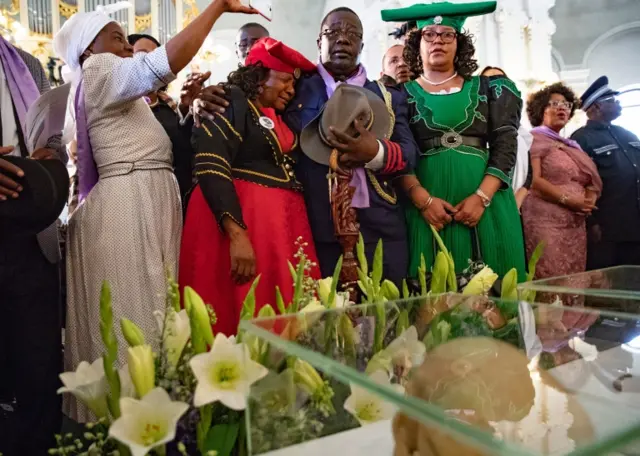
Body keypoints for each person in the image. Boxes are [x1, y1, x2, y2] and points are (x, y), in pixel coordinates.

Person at [53, 0, 258, 422]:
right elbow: (158, 65)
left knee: (157, 312)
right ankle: (132, 419)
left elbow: (159, 143)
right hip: (126, 204)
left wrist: (188, 109)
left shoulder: (120, 87)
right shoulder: (98, 71)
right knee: (136, 314)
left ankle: (156, 419)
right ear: (88, 50)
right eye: (115, 37)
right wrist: (216, 7)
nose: (127, 45)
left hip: (146, 196)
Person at [190, 7, 419, 284]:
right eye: (332, 32)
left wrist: (376, 153)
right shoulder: (292, 88)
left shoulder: (389, 95)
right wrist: (201, 100)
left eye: (352, 34)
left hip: (380, 227)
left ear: (361, 44)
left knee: (390, 318)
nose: (343, 40)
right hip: (313, 227)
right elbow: (247, 103)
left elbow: (410, 155)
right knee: (323, 320)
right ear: (318, 42)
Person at [180, 38, 319, 335]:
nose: (290, 90)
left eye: (293, 85)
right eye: (283, 80)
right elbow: (211, 163)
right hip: (243, 225)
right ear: (258, 75)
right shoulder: (227, 99)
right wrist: (237, 235)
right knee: (239, 312)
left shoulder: (273, 116)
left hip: (276, 231)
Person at [381, 1, 526, 279]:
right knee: (432, 303)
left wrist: (481, 197)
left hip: (488, 204)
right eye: (429, 35)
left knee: (494, 299)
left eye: (447, 34)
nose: (438, 41)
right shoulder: (398, 94)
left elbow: (505, 144)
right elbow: (397, 152)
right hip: (425, 206)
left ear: (459, 43)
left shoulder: (488, 88)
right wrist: (422, 200)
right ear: (417, 43)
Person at [0, 33, 67, 456]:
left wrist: (50, 152)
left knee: (39, 362)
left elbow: (55, 135)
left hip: (29, 227)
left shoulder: (26, 61)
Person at [521, 82, 602, 279]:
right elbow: (534, 181)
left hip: (575, 224)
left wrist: (589, 200)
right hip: (545, 222)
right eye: (554, 104)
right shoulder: (534, 140)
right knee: (552, 278)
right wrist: (569, 200)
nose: (562, 108)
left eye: (566, 105)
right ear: (541, 109)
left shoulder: (572, 145)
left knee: (575, 278)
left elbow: (590, 179)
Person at [571, 76, 640, 268]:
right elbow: (577, 184)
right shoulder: (581, 139)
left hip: (635, 222)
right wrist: (591, 222)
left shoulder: (627, 134)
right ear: (597, 107)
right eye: (613, 101)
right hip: (608, 229)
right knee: (609, 285)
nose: (618, 104)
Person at [128, 33, 194, 202]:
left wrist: (187, 110)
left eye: (156, 55)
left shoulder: (170, 106)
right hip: (132, 193)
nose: (151, 60)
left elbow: (183, 153)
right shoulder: (121, 104)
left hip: (171, 193)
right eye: (142, 54)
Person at [480, 66, 533, 210]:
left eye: (502, 80)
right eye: (489, 80)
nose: (498, 87)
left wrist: (514, 204)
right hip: (482, 200)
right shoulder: (475, 131)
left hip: (512, 204)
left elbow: (528, 177)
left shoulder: (521, 135)